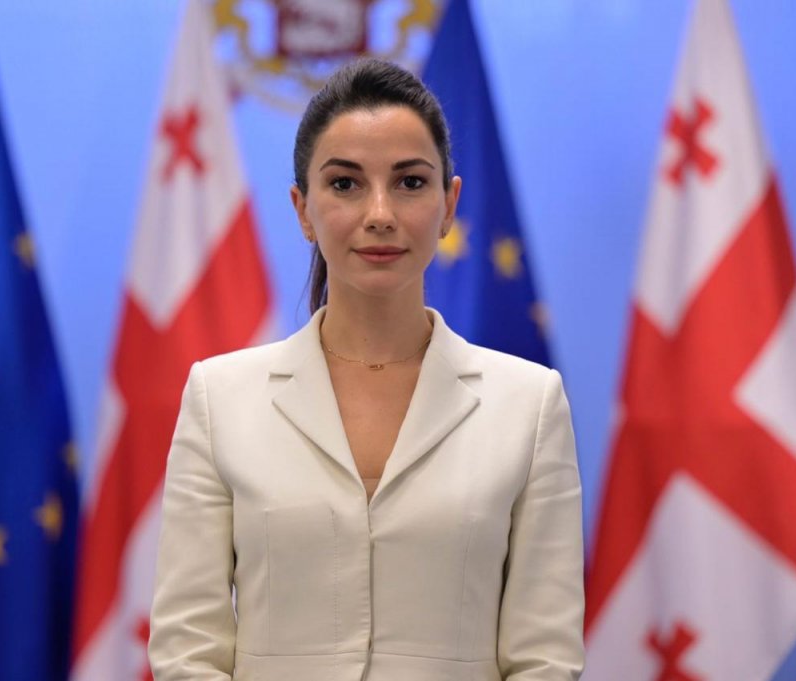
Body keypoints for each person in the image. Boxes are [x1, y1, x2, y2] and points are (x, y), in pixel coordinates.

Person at [148, 58, 584, 680]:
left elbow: (546, 658)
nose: (380, 213)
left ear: (449, 204)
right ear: (302, 208)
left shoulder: (530, 404)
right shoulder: (220, 399)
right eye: (346, 184)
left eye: (409, 182)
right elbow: (187, 651)